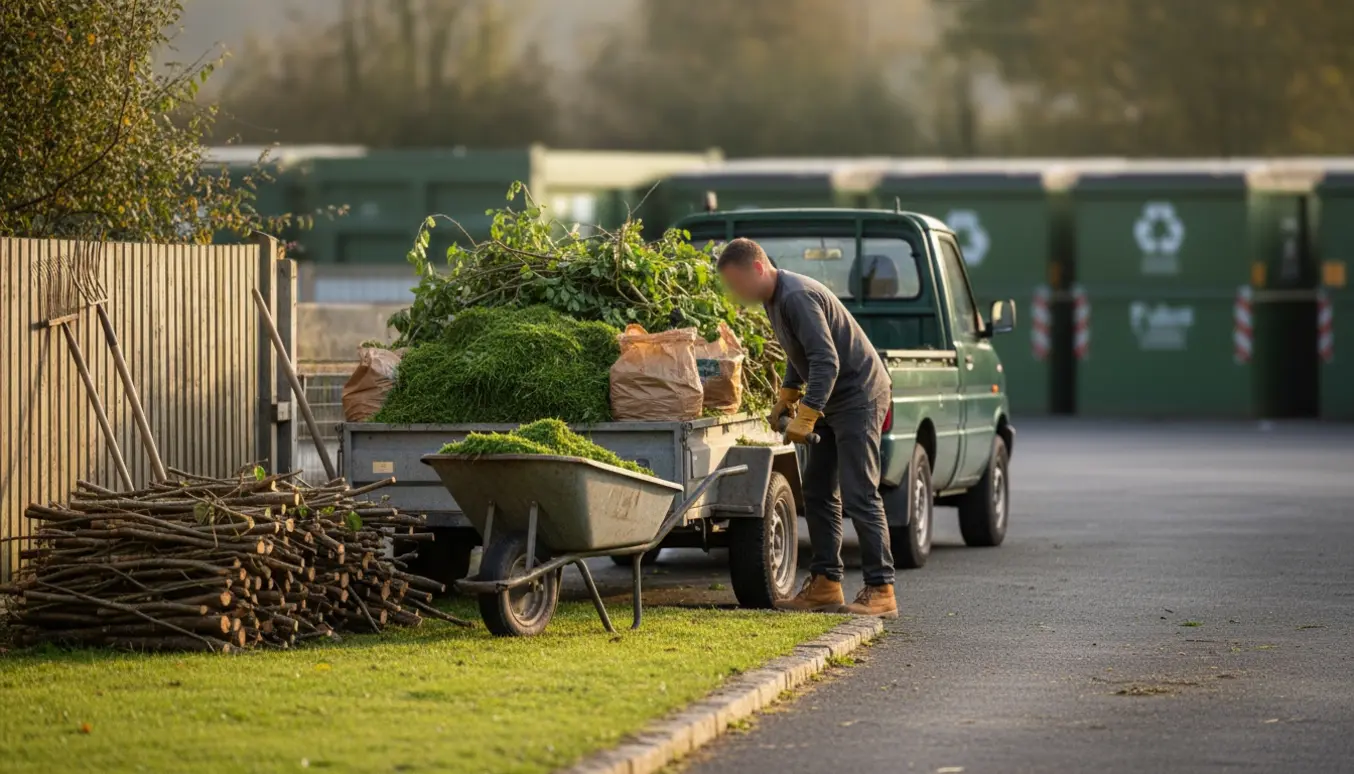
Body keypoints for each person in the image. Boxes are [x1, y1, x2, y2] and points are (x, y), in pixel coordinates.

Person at [716, 237, 897, 618]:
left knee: (860, 492)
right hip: (832, 397)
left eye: (737, 283)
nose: (735, 293)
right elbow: (799, 352)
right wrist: (789, 392)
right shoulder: (774, 299)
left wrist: (808, 413)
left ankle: (881, 589)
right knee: (817, 490)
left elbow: (826, 360)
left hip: (858, 395)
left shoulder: (796, 296)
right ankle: (826, 584)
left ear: (758, 269)